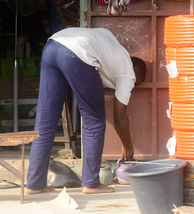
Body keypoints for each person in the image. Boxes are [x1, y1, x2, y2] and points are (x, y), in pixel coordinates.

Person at [26, 27, 146, 195]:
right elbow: (119, 117)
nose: (132, 86)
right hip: (77, 54)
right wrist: (127, 146)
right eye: (136, 83)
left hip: (52, 46)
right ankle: (91, 183)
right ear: (135, 71)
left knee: (44, 122)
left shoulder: (112, 44)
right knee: (94, 121)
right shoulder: (128, 72)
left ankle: (34, 184)